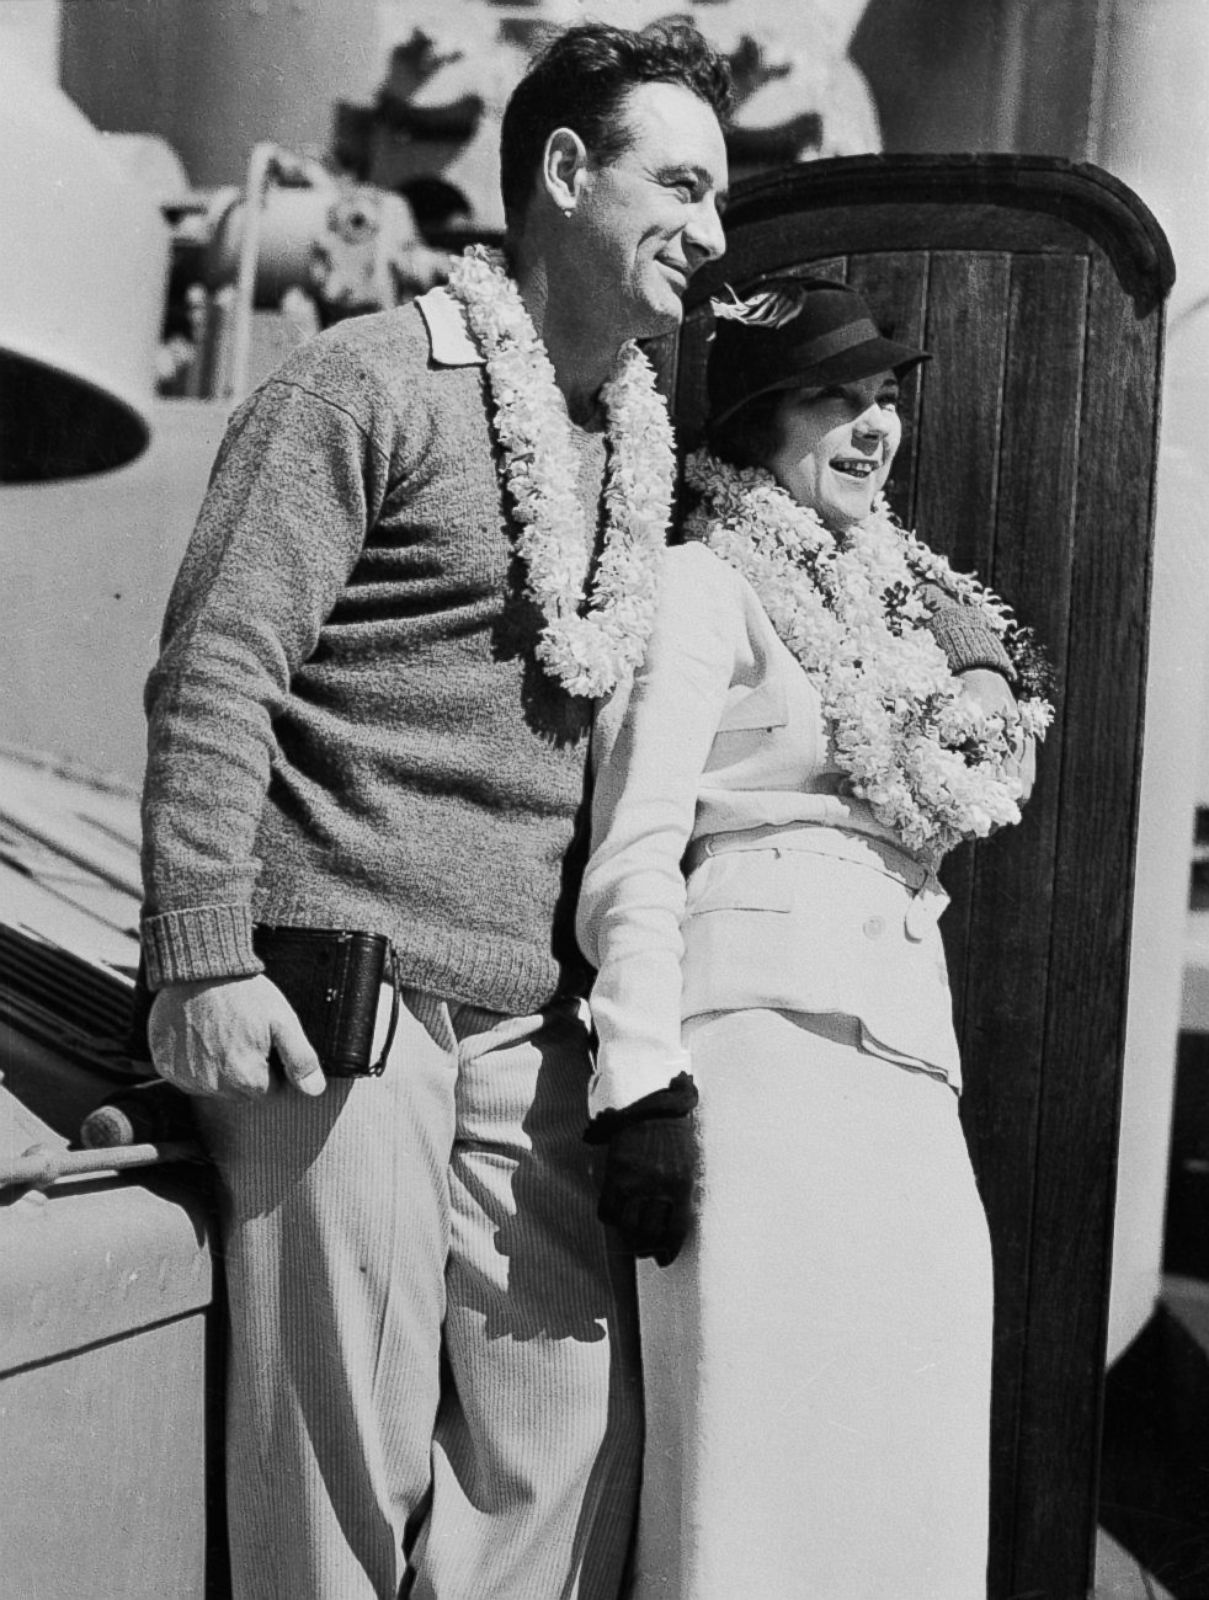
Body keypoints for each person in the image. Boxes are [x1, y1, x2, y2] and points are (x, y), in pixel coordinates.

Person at [138, 23, 731, 1600]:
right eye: (680, 182)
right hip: (344, 1001)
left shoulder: (637, 456)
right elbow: (215, 669)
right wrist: (202, 957)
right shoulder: (363, 381)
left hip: (521, 1022)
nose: (714, 230)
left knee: (558, 1433)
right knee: (343, 1459)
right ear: (560, 174)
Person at [577, 278, 1052, 1599]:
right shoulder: (700, 584)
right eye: (830, 397)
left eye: (884, 398)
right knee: (761, 1482)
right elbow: (636, 840)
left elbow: (987, 653)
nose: (869, 427)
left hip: (901, 1061)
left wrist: (976, 667)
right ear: (749, 421)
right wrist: (638, 1080)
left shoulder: (899, 608)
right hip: (757, 1060)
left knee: (909, 1460)